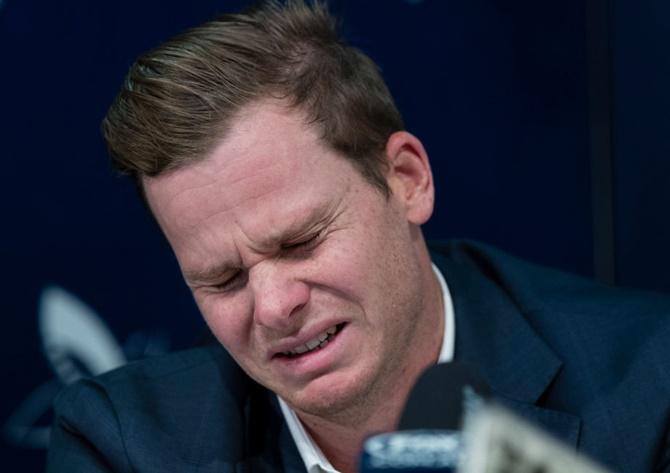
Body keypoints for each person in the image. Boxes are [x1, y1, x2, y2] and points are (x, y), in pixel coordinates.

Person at [47, 1, 670, 472]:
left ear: (406, 180)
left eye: (301, 242)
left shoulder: (652, 384)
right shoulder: (123, 442)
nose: (273, 307)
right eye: (224, 279)